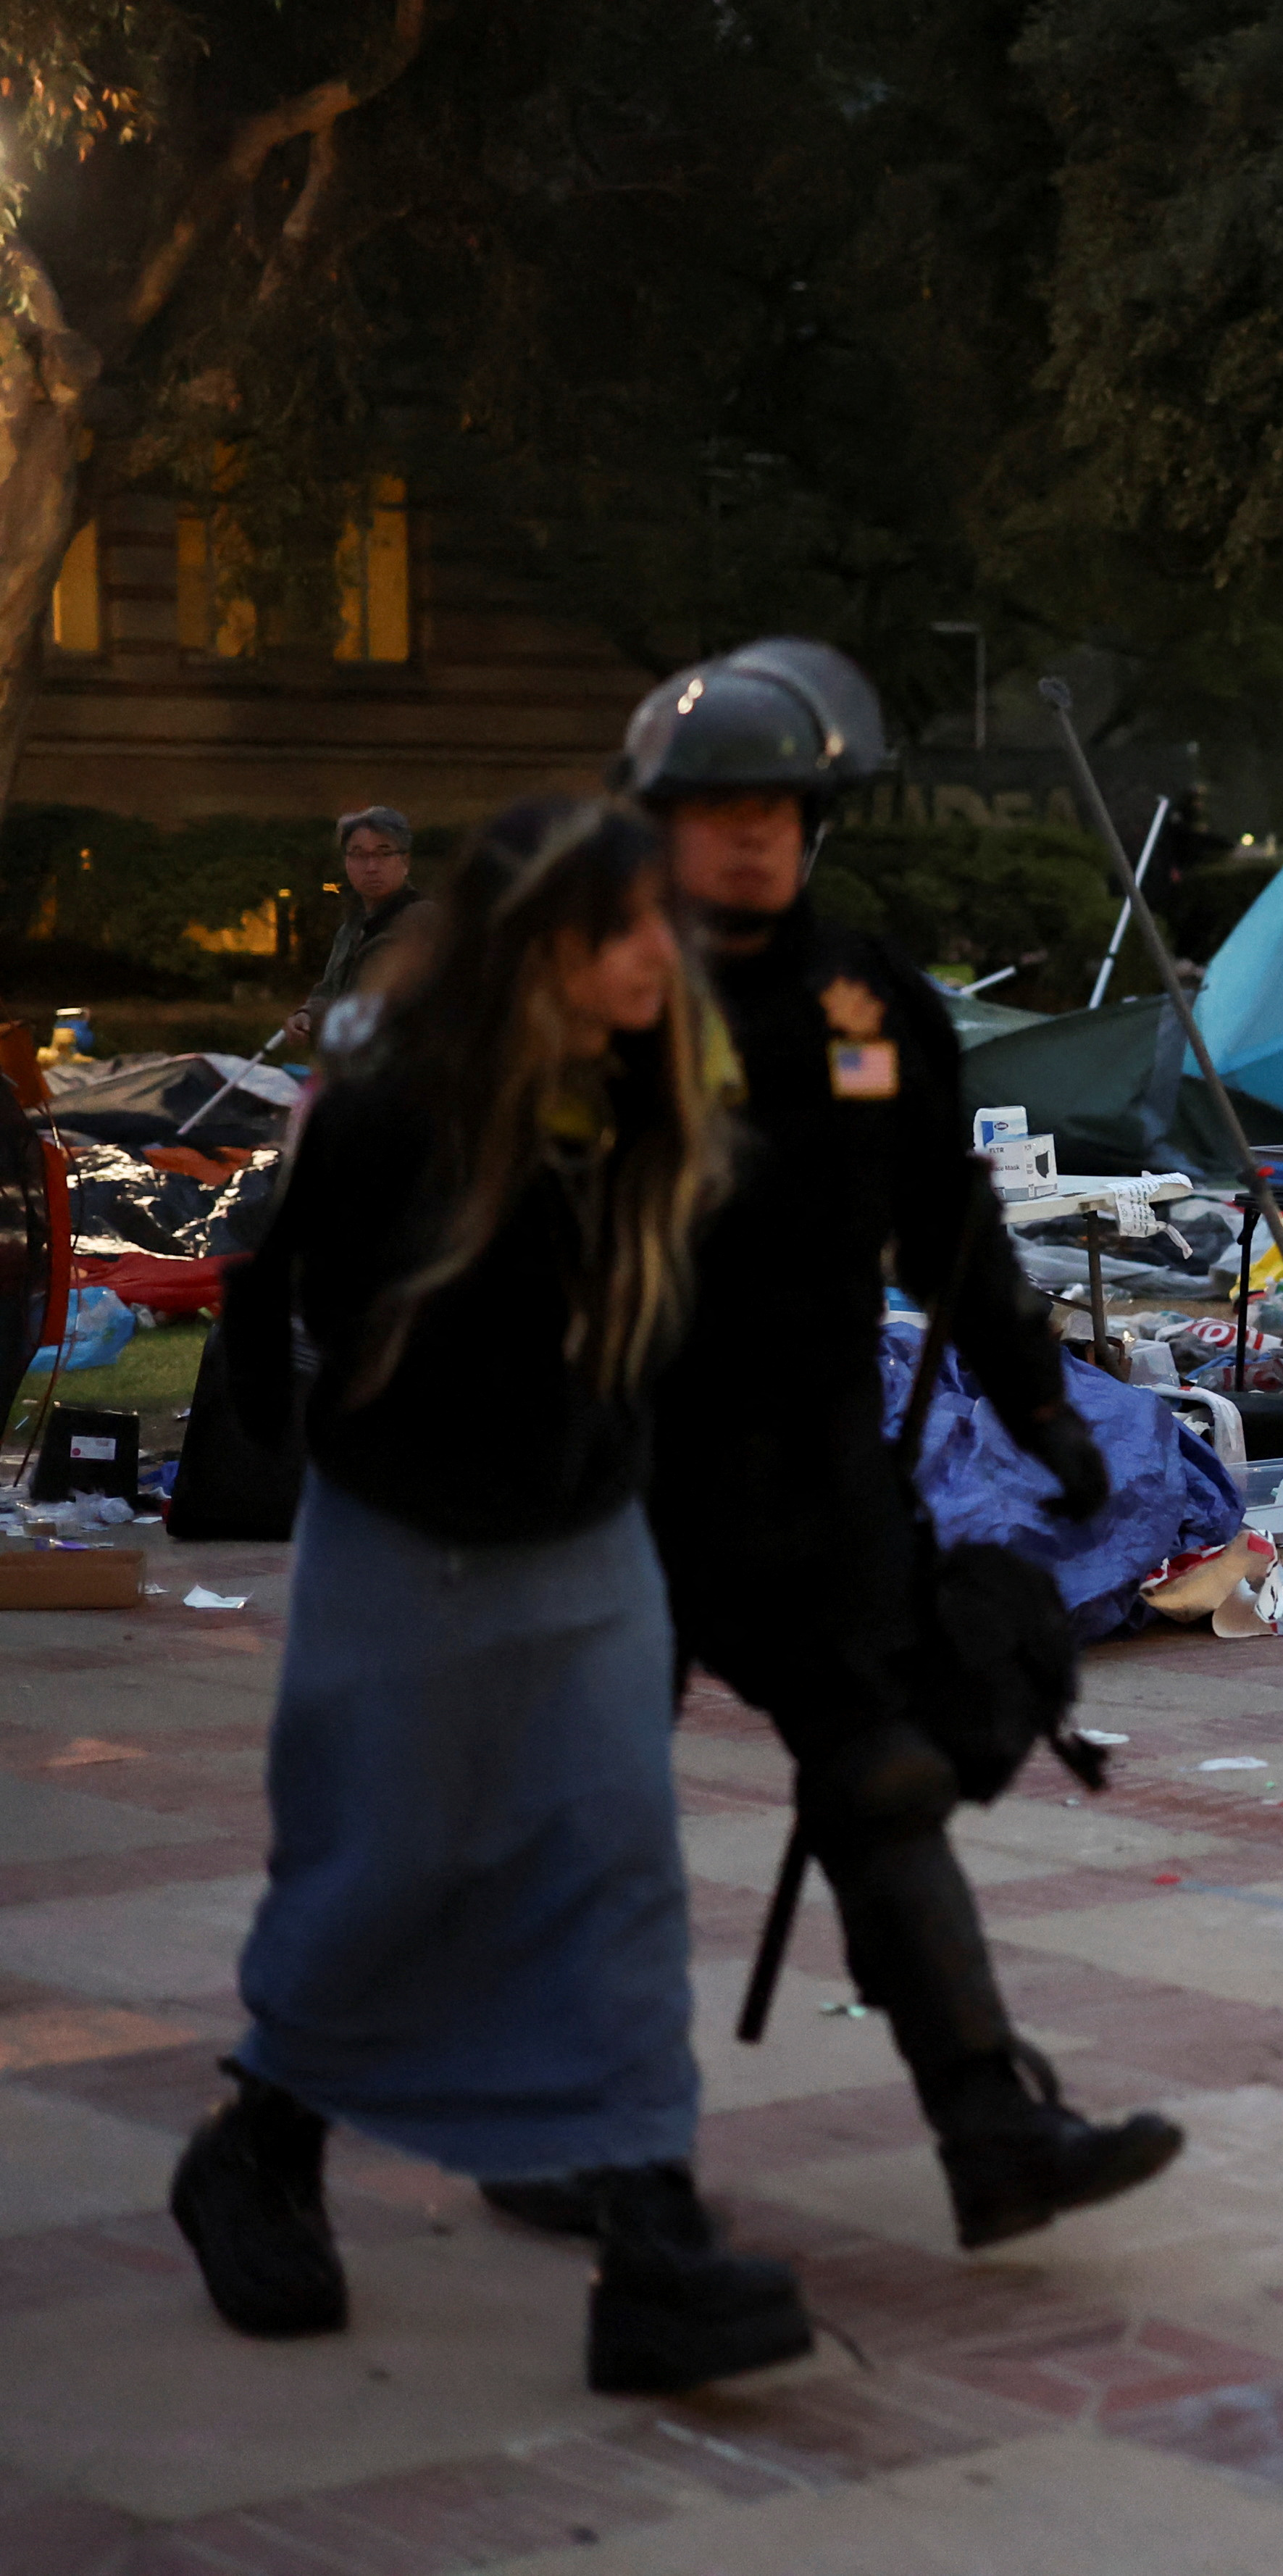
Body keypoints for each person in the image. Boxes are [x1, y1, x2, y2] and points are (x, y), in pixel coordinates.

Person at [180, 794, 811, 2393]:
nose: (662, 956)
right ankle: (258, 2150)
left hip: (588, 1532)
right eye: (627, 932)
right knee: (389, 1864)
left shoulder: (661, 1086)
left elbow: (690, 1317)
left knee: (615, 1864)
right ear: (544, 948)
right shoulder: (397, 1105)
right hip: (407, 1534)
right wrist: (335, 1448)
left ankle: (652, 2244)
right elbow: (272, 1301)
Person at [595, 638, 1177, 2253]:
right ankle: (551, 2154)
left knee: (886, 1782)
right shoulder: (604, 987)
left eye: (779, 805)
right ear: (663, 817)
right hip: (618, 1483)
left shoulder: (869, 1000)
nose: (751, 833)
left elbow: (951, 1228)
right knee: (580, 1822)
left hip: (812, 1479)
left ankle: (993, 2135)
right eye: (717, 807)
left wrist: (1041, 1403)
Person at [284, 806, 431, 1043]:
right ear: (346, 862)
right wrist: (306, 1014)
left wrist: (320, 1020)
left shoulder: (420, 923)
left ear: (405, 861)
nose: (371, 866)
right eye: (359, 854)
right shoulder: (352, 927)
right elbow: (330, 989)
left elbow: (379, 1007)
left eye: (384, 853)